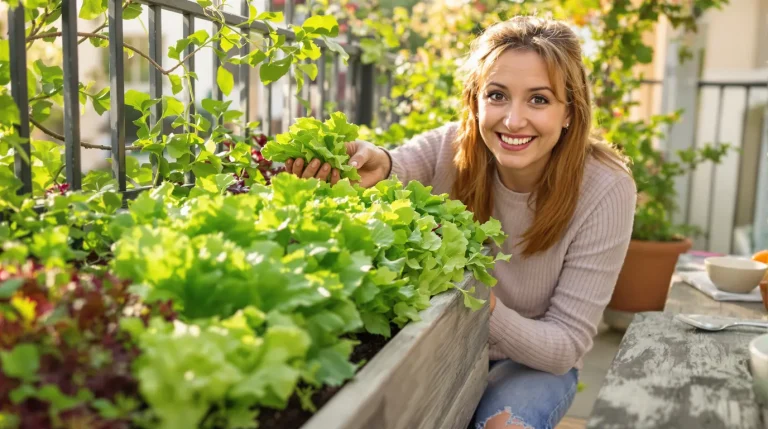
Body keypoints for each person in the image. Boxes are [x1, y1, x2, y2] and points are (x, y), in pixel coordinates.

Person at [284, 15, 636, 429]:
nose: (513, 120)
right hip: (444, 344)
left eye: (539, 99)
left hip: (531, 365)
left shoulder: (606, 189)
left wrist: (477, 302)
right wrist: (372, 161)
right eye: (498, 95)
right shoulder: (453, 147)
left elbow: (564, 347)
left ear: (569, 113)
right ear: (475, 100)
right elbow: (397, 164)